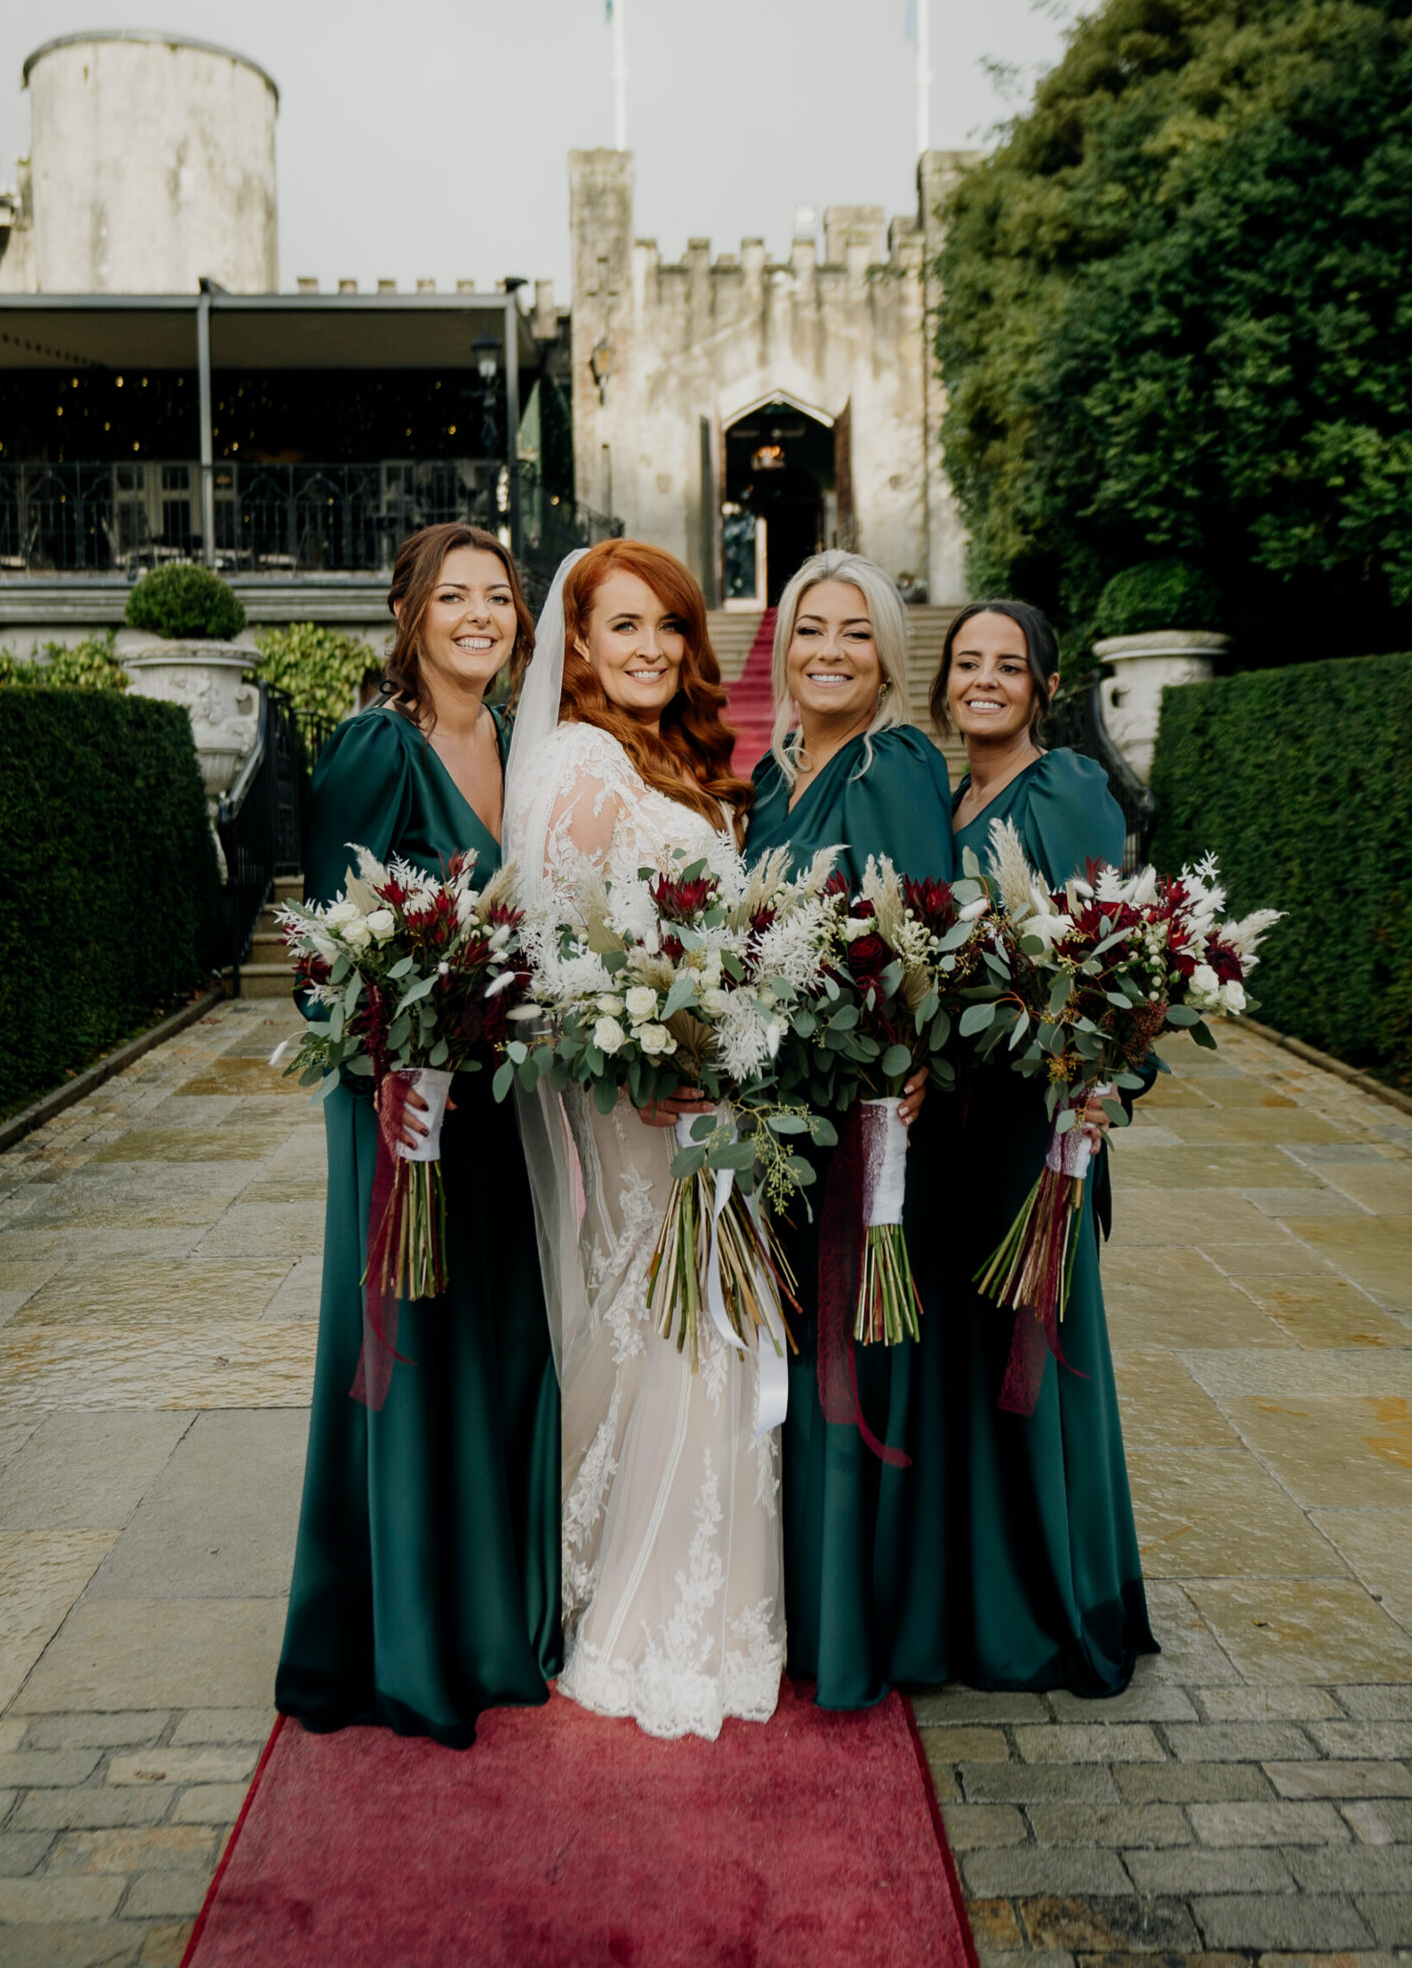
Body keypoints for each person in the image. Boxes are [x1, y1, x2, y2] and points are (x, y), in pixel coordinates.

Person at [275, 525, 563, 1749]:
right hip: (400, 1106)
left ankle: (492, 1617)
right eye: (454, 597)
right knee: (410, 1337)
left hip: (505, 1104)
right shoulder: (374, 745)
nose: (480, 616)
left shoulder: (523, 743)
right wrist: (403, 1041)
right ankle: (399, 1640)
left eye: (498, 597)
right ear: (408, 612)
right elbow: (320, 954)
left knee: (503, 1340)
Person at [505, 539, 780, 1742]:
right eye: (625, 627)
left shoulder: (662, 757)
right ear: (578, 644)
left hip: (707, 1096)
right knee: (673, 1320)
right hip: (643, 1109)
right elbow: (558, 966)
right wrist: (656, 1051)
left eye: (670, 626)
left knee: (697, 1321)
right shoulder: (575, 759)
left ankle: (706, 1597)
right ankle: (648, 1608)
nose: (654, 648)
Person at [743, 550, 954, 1712]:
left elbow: (921, 927)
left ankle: (850, 1620)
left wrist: (904, 1057)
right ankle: (789, 1597)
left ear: (887, 656)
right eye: (812, 629)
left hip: (859, 1105)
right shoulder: (773, 778)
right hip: (776, 1104)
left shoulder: (894, 761)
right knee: (788, 1341)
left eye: (856, 633)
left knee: (850, 1345)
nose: (830, 649)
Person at [934, 597, 1157, 1695]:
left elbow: (1109, 951)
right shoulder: (945, 791)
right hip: (956, 1125)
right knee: (980, 1359)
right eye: (967, 663)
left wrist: (1103, 1078)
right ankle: (991, 1596)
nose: (984, 681)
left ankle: (1059, 1607)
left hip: (1038, 1119)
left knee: (1043, 1352)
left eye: (1006, 666)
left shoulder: (1064, 789)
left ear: (1042, 688)